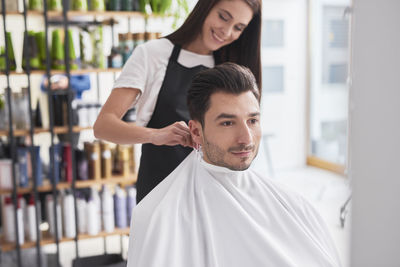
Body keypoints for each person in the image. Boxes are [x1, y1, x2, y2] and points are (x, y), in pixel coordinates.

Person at [126, 63, 342, 267]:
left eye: (252, 121)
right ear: (195, 131)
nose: (246, 138)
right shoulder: (158, 218)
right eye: (227, 123)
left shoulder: (295, 207)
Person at [93, 0, 262, 203]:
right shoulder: (153, 54)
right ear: (205, 7)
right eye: (223, 17)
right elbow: (103, 126)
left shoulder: (234, 66)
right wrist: (156, 135)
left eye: (238, 27)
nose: (226, 32)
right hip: (161, 190)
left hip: (218, 193)